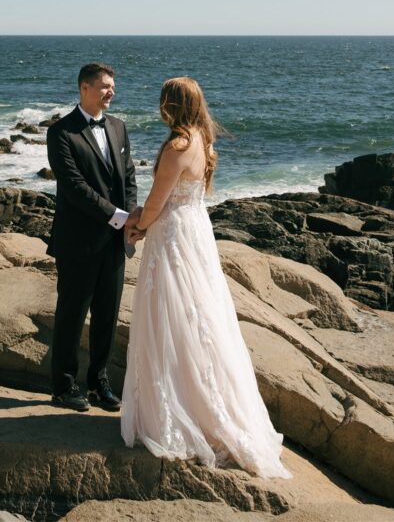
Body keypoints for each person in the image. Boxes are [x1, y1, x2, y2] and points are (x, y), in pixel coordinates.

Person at [120, 77, 291, 479]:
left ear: (170, 105)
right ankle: (207, 405)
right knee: (201, 319)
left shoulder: (176, 146)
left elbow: (156, 202)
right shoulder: (202, 140)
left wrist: (138, 225)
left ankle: (178, 414)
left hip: (173, 237)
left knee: (169, 319)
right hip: (195, 230)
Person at [46, 63, 140, 412]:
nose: (110, 91)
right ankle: (64, 386)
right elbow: (74, 187)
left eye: (112, 86)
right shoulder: (60, 132)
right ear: (84, 88)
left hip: (115, 242)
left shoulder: (118, 127)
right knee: (71, 314)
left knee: (107, 315)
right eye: (103, 86)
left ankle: (99, 382)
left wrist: (131, 218)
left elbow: (127, 177)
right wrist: (118, 216)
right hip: (77, 241)